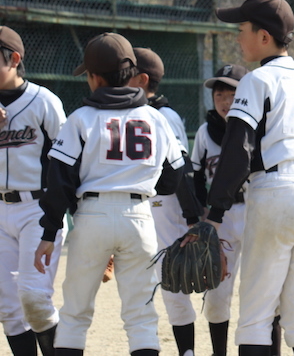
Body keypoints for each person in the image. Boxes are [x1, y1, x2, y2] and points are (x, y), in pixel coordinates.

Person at [34, 32, 185, 356]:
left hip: (92, 217)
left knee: (75, 315)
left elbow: (59, 181)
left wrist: (49, 231)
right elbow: (174, 178)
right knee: (141, 317)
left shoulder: (81, 119)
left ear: (94, 77)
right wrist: (137, 184)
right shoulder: (155, 118)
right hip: (140, 218)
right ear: (131, 74)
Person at [202, 0, 294, 356]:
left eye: (242, 28)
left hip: (278, 193)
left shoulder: (257, 80)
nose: (237, 36)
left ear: (264, 37)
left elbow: (237, 150)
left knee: (256, 320)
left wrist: (214, 215)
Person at [128, 47, 202, 356]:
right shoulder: (133, 112)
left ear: (142, 80)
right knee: (143, 285)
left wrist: (191, 218)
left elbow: (181, 169)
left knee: (173, 285)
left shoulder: (164, 115)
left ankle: (187, 352)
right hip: (143, 209)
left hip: (166, 209)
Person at [0, 25, 67, 356]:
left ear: (14, 59)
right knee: (9, 308)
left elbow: (69, 161)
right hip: (0, 211)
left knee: (34, 298)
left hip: (37, 209)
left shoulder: (44, 102)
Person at [190, 63, 251, 356]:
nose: (225, 102)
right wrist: (200, 216)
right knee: (216, 296)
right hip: (219, 221)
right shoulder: (205, 131)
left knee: (263, 296)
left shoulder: (256, 126)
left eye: (232, 95)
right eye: (219, 95)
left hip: (255, 215)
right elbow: (197, 177)